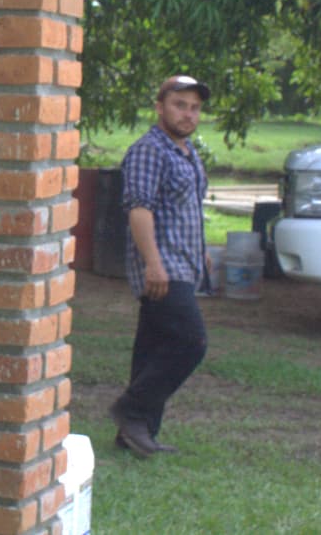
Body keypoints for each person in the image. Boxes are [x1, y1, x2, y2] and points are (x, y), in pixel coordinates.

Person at [110, 75, 211, 458]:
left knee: (153, 347)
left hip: (183, 263)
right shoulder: (149, 150)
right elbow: (139, 208)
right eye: (180, 105)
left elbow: (186, 207)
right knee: (190, 342)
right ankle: (131, 410)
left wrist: (201, 251)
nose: (188, 114)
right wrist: (153, 263)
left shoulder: (186, 151)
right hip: (162, 266)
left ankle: (137, 433)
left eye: (194, 107)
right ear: (160, 107)